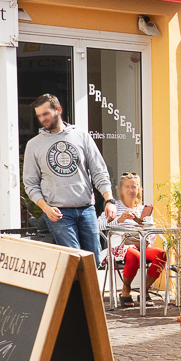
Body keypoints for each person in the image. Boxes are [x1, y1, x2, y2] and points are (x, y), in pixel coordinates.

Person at [23, 93, 114, 264]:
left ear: (58, 110)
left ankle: (90, 292)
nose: (42, 119)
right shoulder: (34, 145)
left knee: (94, 260)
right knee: (76, 261)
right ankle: (76, 292)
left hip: (86, 208)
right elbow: (30, 184)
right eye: (39, 116)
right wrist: (46, 208)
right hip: (58, 213)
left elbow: (99, 170)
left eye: (46, 114)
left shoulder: (81, 136)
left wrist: (109, 200)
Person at [103, 172, 164, 306]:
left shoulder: (142, 209)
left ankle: (144, 290)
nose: (131, 190)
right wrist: (119, 220)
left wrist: (146, 230)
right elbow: (98, 225)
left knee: (161, 255)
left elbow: (152, 231)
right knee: (135, 255)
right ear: (121, 189)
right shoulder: (115, 207)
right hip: (121, 245)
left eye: (134, 187)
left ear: (139, 189)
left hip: (141, 243)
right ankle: (126, 290)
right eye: (127, 187)